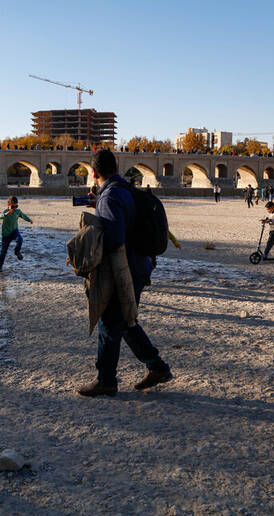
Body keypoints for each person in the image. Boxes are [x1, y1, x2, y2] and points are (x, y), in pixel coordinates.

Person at [77, 149, 172, 397]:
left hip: (124, 269)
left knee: (110, 322)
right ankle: (157, 367)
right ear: (116, 167)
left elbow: (114, 239)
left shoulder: (109, 197)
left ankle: (106, 380)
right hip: (140, 265)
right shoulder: (124, 189)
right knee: (126, 321)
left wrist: (88, 242)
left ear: (94, 172)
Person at [0, 196, 32, 272]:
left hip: (14, 231)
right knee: (3, 251)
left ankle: (17, 252)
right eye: (13, 206)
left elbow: (23, 216)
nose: (14, 208)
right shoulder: (5, 211)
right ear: (9, 205)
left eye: (16, 206)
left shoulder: (17, 211)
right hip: (6, 234)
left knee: (20, 240)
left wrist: (29, 220)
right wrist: (6, 213)